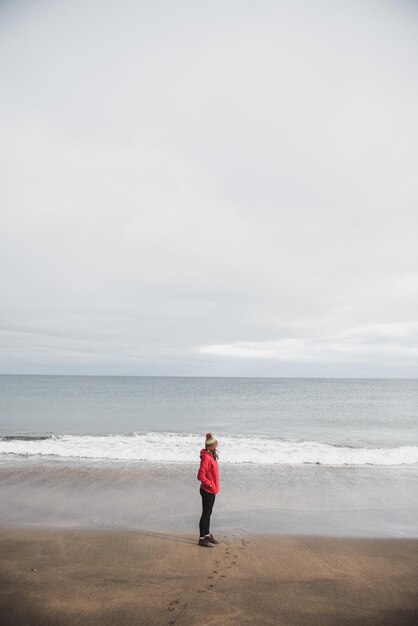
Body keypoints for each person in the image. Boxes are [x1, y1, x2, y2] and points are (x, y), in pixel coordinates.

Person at [197, 432, 220, 547]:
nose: (216, 448)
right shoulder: (206, 457)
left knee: (209, 513)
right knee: (205, 514)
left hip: (212, 490)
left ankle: (207, 535)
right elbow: (200, 475)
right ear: (210, 447)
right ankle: (202, 538)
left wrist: (213, 486)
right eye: (215, 446)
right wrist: (210, 484)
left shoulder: (210, 455)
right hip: (207, 490)